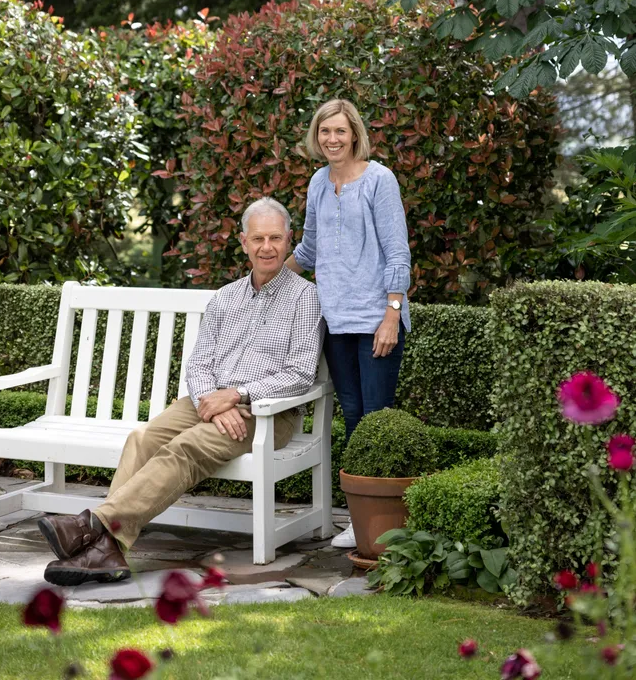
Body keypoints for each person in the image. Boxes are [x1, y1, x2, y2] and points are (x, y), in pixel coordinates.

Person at [38, 197, 324, 585]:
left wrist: (237, 395)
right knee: (142, 437)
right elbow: (199, 363)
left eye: (275, 237)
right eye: (258, 238)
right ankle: (108, 550)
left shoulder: (305, 298)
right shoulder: (226, 296)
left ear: (290, 240)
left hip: (266, 413)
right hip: (210, 402)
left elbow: (301, 373)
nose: (267, 247)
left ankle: (93, 526)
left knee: (185, 448)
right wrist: (215, 401)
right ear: (243, 242)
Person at [285, 97, 411, 549]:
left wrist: (391, 315)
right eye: (324, 132)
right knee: (353, 416)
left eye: (340, 131)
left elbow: (397, 253)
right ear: (316, 138)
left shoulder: (380, 180)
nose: (332, 139)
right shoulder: (318, 183)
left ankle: (381, 527)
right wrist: (264, 277)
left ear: (354, 133)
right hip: (334, 320)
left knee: (376, 420)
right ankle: (359, 523)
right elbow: (308, 251)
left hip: (377, 317)